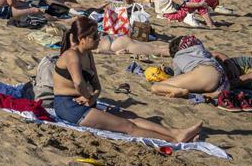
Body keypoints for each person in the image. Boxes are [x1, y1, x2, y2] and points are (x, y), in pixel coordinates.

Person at [52, 17, 202, 143]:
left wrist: (94, 96)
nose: (99, 39)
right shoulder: (72, 55)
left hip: (86, 100)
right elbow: (79, 83)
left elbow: (97, 84)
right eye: (94, 36)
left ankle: (175, 133)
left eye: (98, 35)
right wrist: (88, 97)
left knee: (131, 116)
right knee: (127, 126)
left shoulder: (88, 54)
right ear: (81, 39)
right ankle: (174, 141)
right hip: (69, 106)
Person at [151, 35, 229, 99]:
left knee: (156, 87)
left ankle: (179, 91)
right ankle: (215, 94)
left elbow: (177, 77)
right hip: (222, 80)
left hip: (203, 74)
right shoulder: (202, 51)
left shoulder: (177, 57)